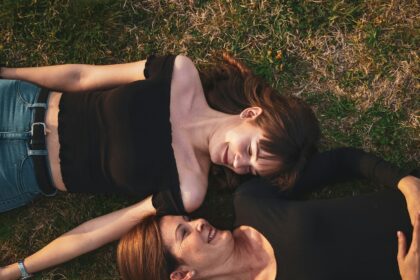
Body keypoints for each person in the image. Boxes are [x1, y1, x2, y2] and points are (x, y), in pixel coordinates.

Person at [0, 54, 320, 278]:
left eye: (249, 169)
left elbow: (98, 230)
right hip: (18, 105)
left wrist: (19, 270)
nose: (238, 163)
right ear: (251, 114)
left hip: (18, 174)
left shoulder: (189, 189)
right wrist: (8, 73)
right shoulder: (179, 74)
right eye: (250, 149)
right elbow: (83, 76)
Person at [116, 155, 420, 280]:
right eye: (184, 233)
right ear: (181, 275)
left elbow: (341, 162)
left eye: (187, 219)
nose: (198, 222)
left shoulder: (250, 201)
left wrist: (405, 183)